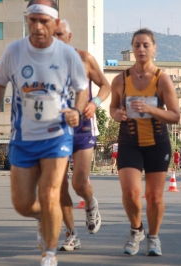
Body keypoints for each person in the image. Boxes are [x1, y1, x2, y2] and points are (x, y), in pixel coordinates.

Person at [0, 1, 89, 264]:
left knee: (51, 192)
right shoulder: (15, 51)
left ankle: (50, 254)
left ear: (55, 23)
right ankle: (45, 216)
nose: (38, 27)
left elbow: (82, 89)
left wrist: (77, 111)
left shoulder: (67, 55)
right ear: (27, 21)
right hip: (23, 138)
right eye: (33, 21)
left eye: (44, 21)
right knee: (22, 204)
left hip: (57, 136)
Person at [110, 28, 180, 256]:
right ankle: (136, 229)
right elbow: (113, 107)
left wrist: (150, 109)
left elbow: (175, 115)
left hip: (157, 143)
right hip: (129, 141)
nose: (141, 49)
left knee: (154, 196)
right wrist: (116, 114)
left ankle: (154, 237)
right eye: (137, 45)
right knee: (130, 192)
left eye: (145, 45)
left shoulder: (162, 79)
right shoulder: (121, 79)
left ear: (153, 48)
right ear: (132, 48)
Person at [53, 19, 111, 251]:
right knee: (57, 185)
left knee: (78, 184)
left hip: (83, 127)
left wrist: (95, 102)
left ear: (69, 37)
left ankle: (90, 202)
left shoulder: (84, 59)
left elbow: (105, 85)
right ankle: (71, 234)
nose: (55, 40)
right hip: (56, 130)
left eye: (59, 35)